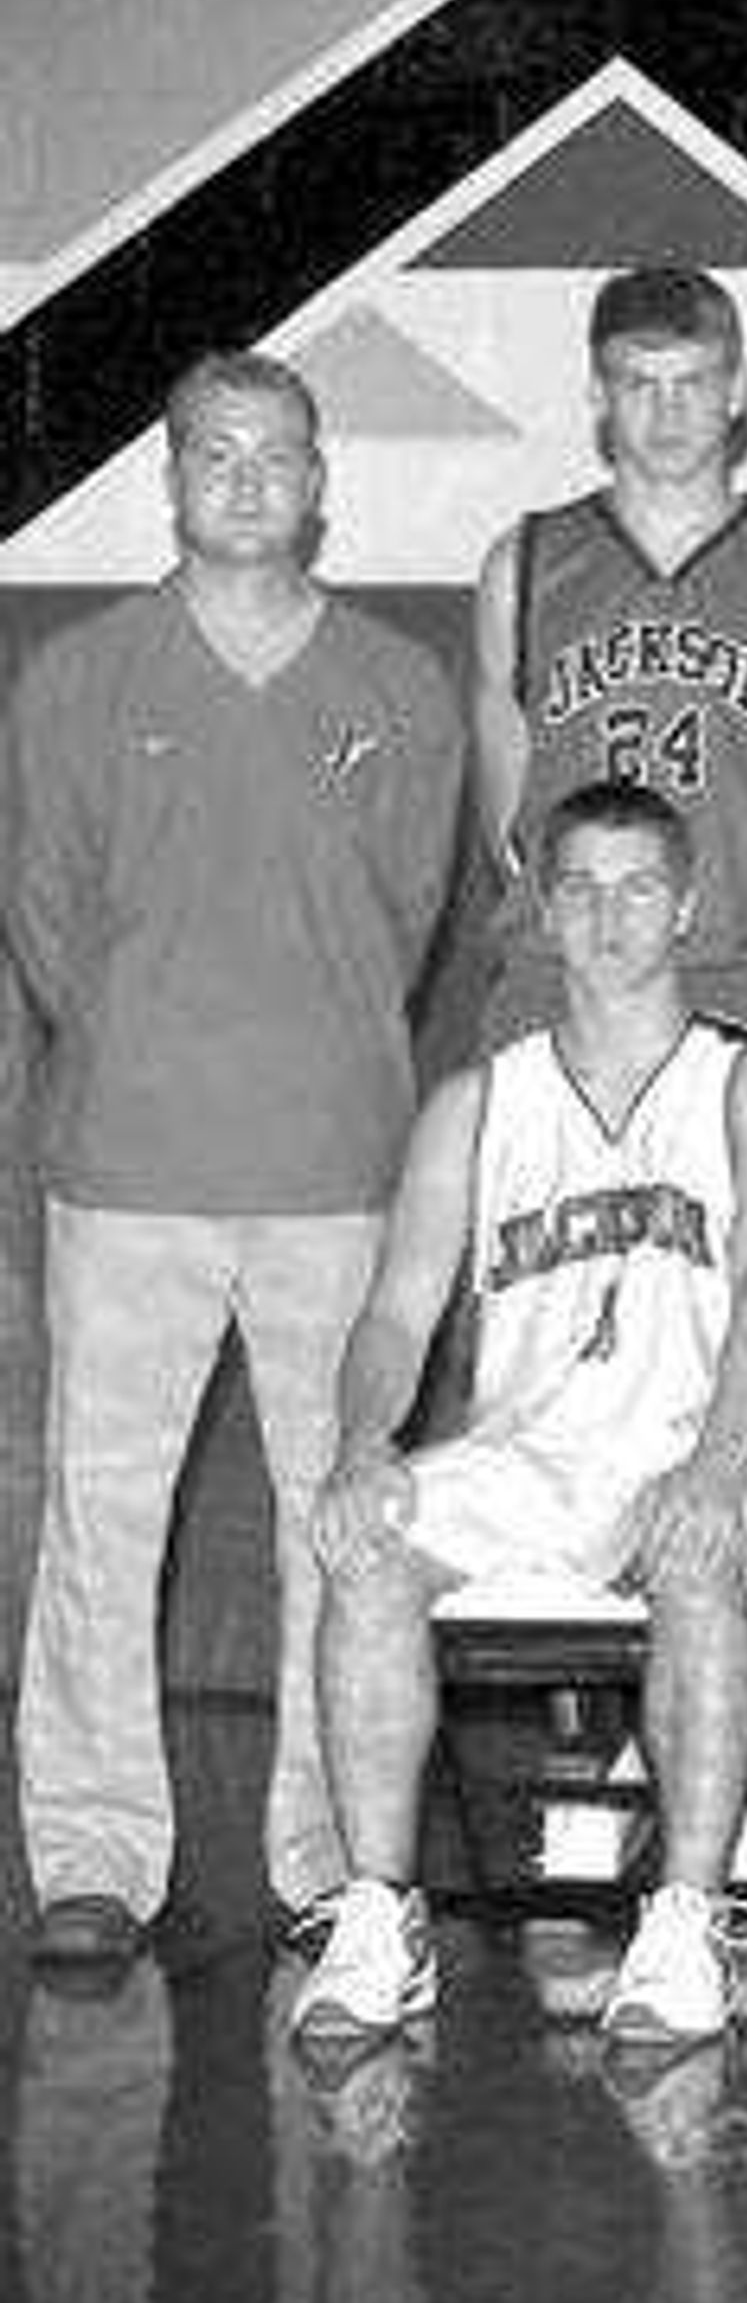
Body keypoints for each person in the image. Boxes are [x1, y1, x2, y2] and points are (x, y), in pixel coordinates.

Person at [5, 351, 462, 1965]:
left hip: (337, 1170)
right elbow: (50, 929)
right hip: (127, 1166)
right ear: (173, 478)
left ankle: (326, 1853)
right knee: (100, 1523)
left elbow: (404, 922)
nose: (249, 481)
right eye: (217, 454)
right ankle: (90, 1856)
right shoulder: (76, 681)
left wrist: (312, 1045)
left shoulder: (402, 687)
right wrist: (148, 1043)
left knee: (333, 1521)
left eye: (280, 455)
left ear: (320, 481)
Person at [284, 783, 747, 2046]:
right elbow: (394, 1316)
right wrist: (362, 1447)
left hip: (694, 1434)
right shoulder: (477, 1103)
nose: (608, 914)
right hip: (525, 1456)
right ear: (541, 904)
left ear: (685, 906)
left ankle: (687, 1913)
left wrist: (714, 1459)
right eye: (578, 886)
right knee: (360, 1547)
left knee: (699, 1562)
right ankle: (378, 1912)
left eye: (639, 885)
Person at [472, 265, 747, 1049]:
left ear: (737, 390)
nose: (667, 411)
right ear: (597, 395)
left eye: (693, 381)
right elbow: (508, 825)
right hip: (563, 990)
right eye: (637, 383)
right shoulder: (523, 563)